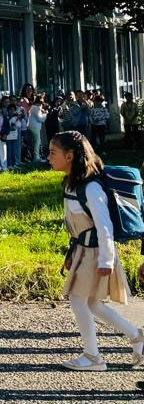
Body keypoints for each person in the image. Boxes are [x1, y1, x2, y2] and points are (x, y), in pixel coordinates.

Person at [47, 131, 144, 372]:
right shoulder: (72, 185)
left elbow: (104, 226)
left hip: (96, 252)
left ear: (70, 156)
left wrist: (106, 261)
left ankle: (93, 356)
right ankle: (136, 336)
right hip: (84, 251)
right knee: (91, 303)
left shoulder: (90, 188)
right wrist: (72, 254)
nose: (48, 157)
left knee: (79, 300)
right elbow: (77, 226)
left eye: (53, 152)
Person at [26, 93, 48, 163]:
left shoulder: (34, 107)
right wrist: (45, 114)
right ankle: (36, 158)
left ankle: (35, 157)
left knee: (35, 142)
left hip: (32, 126)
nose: (42, 102)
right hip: (34, 127)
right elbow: (40, 119)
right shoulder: (36, 108)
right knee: (37, 142)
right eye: (42, 101)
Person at [4, 100, 22, 169]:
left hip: (14, 136)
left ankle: (14, 164)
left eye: (13, 110)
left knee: (14, 151)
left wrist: (17, 120)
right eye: (10, 110)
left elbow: (19, 126)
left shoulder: (16, 117)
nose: (12, 111)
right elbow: (6, 126)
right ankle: (9, 164)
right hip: (8, 137)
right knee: (9, 151)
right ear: (8, 110)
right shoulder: (6, 117)